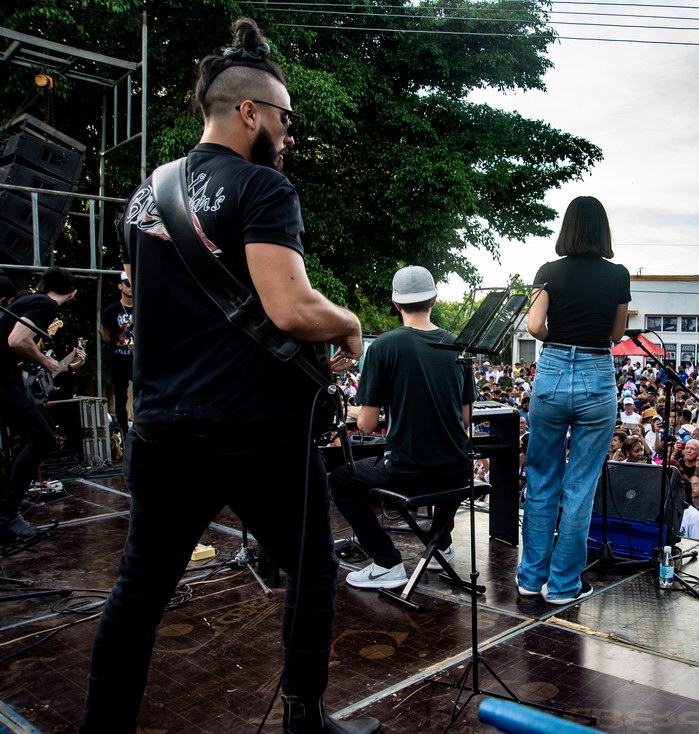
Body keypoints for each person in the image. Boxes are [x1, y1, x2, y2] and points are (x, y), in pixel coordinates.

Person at [79, 19, 377, 734]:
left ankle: (101, 725)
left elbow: (131, 296)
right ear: (249, 113)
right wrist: (350, 325)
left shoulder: (145, 197)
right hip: (253, 429)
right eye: (285, 118)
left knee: (141, 586)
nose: (290, 133)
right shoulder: (262, 187)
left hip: (160, 425)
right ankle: (304, 718)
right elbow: (291, 307)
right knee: (310, 567)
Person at [328, 267, 475, 589]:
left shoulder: (383, 346)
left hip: (408, 471)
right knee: (443, 468)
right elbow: (465, 418)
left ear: (396, 304)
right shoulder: (458, 346)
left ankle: (386, 563)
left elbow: (367, 424)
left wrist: (356, 409)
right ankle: (441, 544)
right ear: (435, 299)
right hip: (457, 468)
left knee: (340, 480)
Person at [516, 195, 629, 604]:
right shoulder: (618, 275)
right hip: (597, 375)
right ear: (603, 230)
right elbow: (616, 337)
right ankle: (562, 585)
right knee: (581, 486)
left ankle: (530, 578)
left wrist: (559, 341)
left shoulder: (548, 271)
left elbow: (534, 325)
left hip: (553, 371)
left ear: (567, 227)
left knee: (542, 477)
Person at [0, 267, 85, 540]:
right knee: (41, 437)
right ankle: (6, 514)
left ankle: (9, 498)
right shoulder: (45, 304)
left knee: (39, 428)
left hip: (7, 379)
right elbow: (17, 341)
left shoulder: (27, 302)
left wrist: (60, 365)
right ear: (72, 292)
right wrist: (47, 361)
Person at [100, 270, 134, 436]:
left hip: (138, 361)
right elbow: (105, 335)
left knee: (144, 394)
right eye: (128, 283)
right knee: (120, 397)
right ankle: (124, 431)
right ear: (120, 286)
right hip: (119, 360)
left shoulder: (143, 308)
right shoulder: (111, 311)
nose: (131, 287)